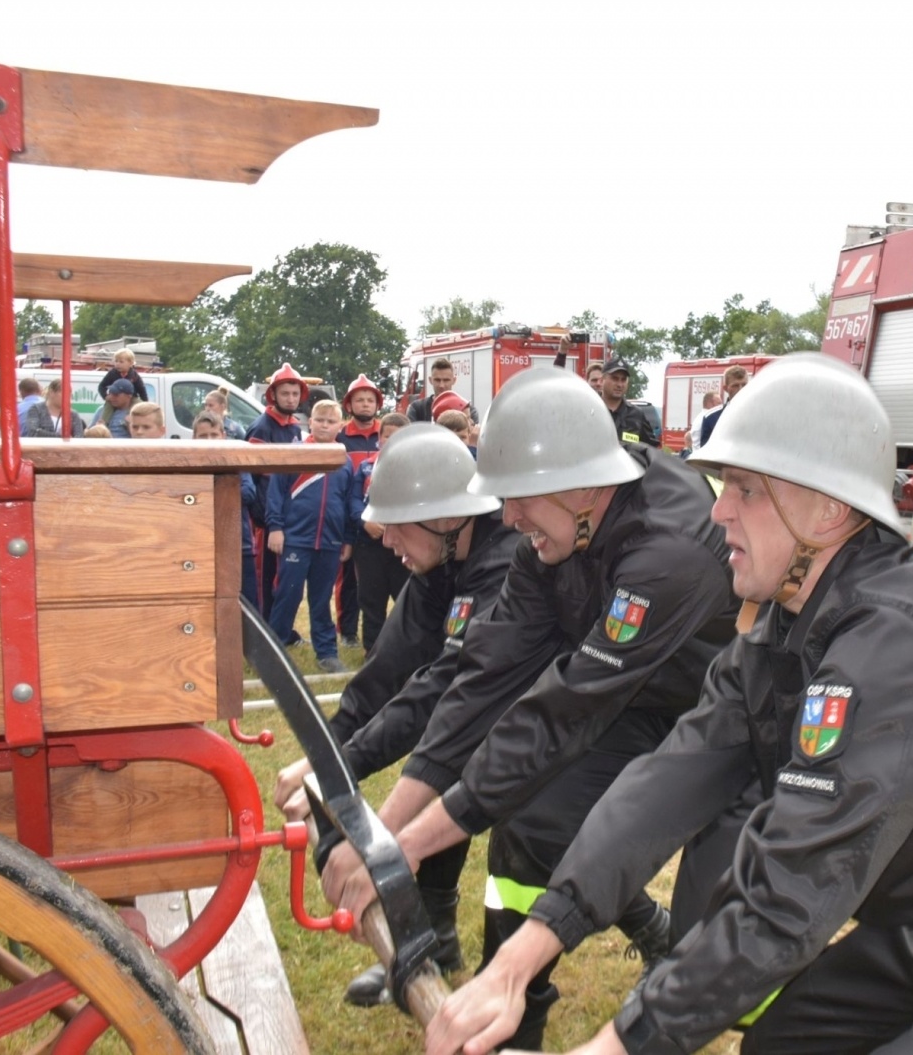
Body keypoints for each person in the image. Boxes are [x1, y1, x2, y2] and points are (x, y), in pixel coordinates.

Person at [427, 353, 913, 1055]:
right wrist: (520, 959)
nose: (718, 514)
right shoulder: (792, 627)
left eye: (747, 490)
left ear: (823, 510)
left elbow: (790, 894)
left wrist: (618, 1042)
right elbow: (666, 781)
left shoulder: (896, 648)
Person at [319, 366, 736, 1049]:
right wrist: (389, 834)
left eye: (516, 499)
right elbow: (483, 675)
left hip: (710, 714)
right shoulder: (556, 530)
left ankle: (668, 945)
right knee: (530, 823)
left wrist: (410, 843)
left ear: (577, 485)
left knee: (708, 911)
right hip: (623, 694)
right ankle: (514, 1019)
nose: (506, 520)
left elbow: (564, 709)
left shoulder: (669, 549)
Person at [276, 420, 520, 1005]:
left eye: (396, 527)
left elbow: (443, 690)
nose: (385, 542)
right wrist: (324, 760)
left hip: (562, 714)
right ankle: (436, 938)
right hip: (486, 704)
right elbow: (386, 675)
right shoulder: (437, 559)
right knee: (451, 767)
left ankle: (516, 981)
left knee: (530, 828)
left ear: (443, 517)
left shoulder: (506, 563)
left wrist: (341, 771)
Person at [266, 399, 362, 675]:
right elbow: (276, 493)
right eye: (319, 420)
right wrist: (275, 527)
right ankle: (274, 652)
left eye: (330, 421)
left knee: (321, 601)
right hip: (295, 539)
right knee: (287, 596)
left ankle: (327, 653)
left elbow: (347, 502)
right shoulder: (295, 454)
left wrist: (347, 539)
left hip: (330, 543)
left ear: (340, 426)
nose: (324, 425)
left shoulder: (343, 462)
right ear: (310, 421)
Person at [247, 363, 310, 615]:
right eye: (285, 393)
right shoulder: (261, 427)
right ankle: (265, 628)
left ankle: (281, 626)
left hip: (286, 517)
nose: (291, 399)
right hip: (264, 519)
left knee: (283, 576)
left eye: (295, 394)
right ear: (273, 395)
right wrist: (262, 518)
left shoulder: (295, 428)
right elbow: (252, 477)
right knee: (265, 576)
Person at [348, 411, 412, 655]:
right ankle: (372, 650)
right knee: (371, 600)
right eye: (387, 436)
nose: (391, 441)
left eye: (398, 436)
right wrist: (366, 523)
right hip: (370, 544)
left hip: (404, 545)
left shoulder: (416, 469)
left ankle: (404, 649)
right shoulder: (366, 467)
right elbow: (354, 501)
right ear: (379, 437)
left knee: (406, 599)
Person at [336, 374, 386, 649]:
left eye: (370, 400)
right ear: (349, 404)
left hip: (379, 525)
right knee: (347, 580)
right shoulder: (339, 437)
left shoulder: (387, 433)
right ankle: (347, 631)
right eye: (359, 400)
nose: (365, 405)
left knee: (373, 584)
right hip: (349, 517)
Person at [194, 410, 260, 606]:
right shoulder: (188, 465)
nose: (209, 440)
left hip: (240, 544)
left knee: (246, 602)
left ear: (223, 435)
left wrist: (211, 491)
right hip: (201, 544)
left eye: (213, 435)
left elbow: (248, 493)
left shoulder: (236, 461)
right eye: (203, 436)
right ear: (194, 437)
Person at [597, 354, 660, 448]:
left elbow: (651, 450)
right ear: (602, 380)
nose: (619, 384)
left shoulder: (637, 415)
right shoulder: (591, 409)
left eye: (623, 380)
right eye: (615, 378)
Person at [697, 364, 748, 449]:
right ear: (725, 388)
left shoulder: (760, 415)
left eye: (744, 385)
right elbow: (706, 454)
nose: (740, 389)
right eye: (735, 386)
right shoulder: (711, 418)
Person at [21, 380, 85, 438]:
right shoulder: (36, 410)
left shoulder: (73, 414)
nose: (68, 397)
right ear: (51, 392)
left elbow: (79, 436)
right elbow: (34, 433)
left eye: (70, 394)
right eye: (64, 393)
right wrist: (61, 437)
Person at [685, 390, 721, 457]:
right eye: (719, 403)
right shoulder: (708, 418)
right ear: (710, 403)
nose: (721, 407)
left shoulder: (699, 417)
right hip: (704, 458)